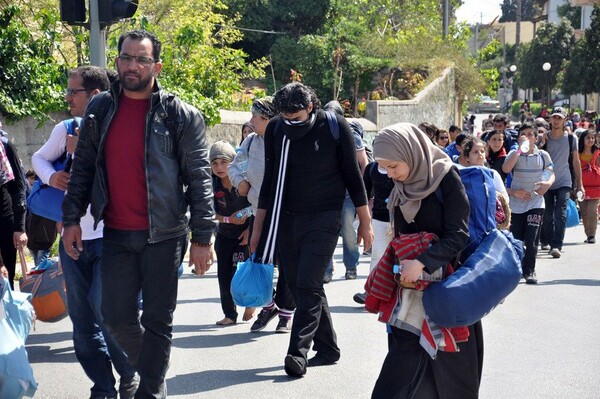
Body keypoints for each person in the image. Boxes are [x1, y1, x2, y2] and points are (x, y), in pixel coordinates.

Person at [61, 30, 216, 398]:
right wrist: (70, 219)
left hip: (164, 236)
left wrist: (203, 237)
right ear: (117, 62)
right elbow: (82, 167)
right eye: (127, 57)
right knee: (113, 317)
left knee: (158, 322)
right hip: (114, 232)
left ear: (156, 65)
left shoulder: (181, 115)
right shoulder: (100, 109)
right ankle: (154, 380)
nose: (133, 65)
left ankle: (149, 392)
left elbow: (199, 178)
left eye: (142, 59)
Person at [250, 82, 373, 377]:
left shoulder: (334, 126)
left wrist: (365, 222)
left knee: (307, 284)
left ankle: (297, 353)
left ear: (311, 108)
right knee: (301, 284)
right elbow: (268, 183)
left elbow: (353, 176)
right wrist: (258, 229)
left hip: (325, 216)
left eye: (297, 117)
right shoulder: (277, 130)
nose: (291, 123)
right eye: (286, 117)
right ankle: (328, 347)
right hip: (286, 217)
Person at [32, 66, 139, 399]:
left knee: (107, 313)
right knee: (81, 325)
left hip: (113, 238)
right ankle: (103, 387)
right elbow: (38, 158)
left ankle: (130, 374)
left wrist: (87, 150)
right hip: (73, 238)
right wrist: (52, 178)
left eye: (73, 92)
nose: (67, 98)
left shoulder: (124, 128)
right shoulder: (65, 129)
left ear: (95, 95)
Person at [370, 123, 482, 398]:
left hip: (447, 292)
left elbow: (458, 235)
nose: (390, 174)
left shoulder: (445, 178)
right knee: (401, 368)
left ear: (411, 154)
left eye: (394, 166)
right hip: (410, 292)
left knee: (453, 372)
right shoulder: (401, 185)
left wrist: (422, 261)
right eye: (384, 168)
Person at [229, 97, 296, 333]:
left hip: (286, 213)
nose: (250, 121)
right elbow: (234, 167)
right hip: (258, 210)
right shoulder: (250, 143)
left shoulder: (287, 141)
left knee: (287, 263)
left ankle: (286, 313)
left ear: (268, 118)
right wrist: (240, 183)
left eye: (255, 116)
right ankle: (267, 306)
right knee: (258, 258)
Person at [323, 101, 369, 281]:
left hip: (349, 194)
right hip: (327, 193)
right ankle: (326, 270)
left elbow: (364, 164)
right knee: (325, 232)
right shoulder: (320, 133)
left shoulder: (351, 135)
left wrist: (364, 191)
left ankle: (351, 265)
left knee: (349, 231)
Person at [503, 123, 554, 284]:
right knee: (517, 240)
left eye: (530, 134)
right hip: (517, 204)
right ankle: (517, 269)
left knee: (532, 240)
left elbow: (551, 172)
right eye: (523, 134)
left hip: (536, 202)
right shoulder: (514, 153)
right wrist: (519, 149)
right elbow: (506, 168)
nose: (527, 137)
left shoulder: (543, 155)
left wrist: (547, 185)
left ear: (536, 138)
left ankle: (530, 271)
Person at [210, 141, 251, 326]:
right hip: (225, 234)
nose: (219, 167)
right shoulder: (210, 184)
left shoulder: (244, 180)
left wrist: (250, 229)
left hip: (247, 234)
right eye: (215, 163)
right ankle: (229, 314)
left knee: (245, 273)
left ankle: (255, 302)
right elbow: (208, 213)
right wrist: (228, 220)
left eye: (224, 162)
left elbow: (258, 205)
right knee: (224, 275)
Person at [539, 107, 583, 258]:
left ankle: (556, 245)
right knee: (547, 215)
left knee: (561, 213)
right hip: (547, 181)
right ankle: (549, 241)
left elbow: (576, 162)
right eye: (554, 117)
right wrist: (541, 143)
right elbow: (535, 156)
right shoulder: (544, 137)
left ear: (565, 120)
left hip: (564, 180)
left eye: (559, 118)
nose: (556, 120)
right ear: (550, 119)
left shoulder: (571, 138)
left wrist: (580, 184)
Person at [353, 161, 394, 305]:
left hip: (403, 220)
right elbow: (364, 193)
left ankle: (395, 293)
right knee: (378, 255)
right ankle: (371, 292)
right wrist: (363, 220)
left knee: (402, 256)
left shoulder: (401, 164)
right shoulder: (372, 169)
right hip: (379, 219)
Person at [0, 128, 27, 290]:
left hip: (4, 221)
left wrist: (20, 227)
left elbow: (19, 186)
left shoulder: (4, 145)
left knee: (5, 281)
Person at [578, 129, 600, 244]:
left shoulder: (598, 153)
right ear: (583, 139)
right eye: (588, 138)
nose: (591, 140)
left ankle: (592, 235)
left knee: (592, 210)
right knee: (584, 212)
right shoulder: (577, 153)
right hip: (581, 187)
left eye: (592, 138)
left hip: (596, 187)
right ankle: (588, 234)